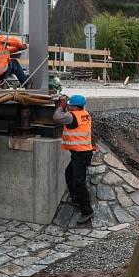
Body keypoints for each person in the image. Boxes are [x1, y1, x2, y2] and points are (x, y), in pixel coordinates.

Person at [53, 94, 95, 223]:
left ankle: (87, 211)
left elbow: (57, 117)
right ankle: (77, 199)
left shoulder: (71, 116)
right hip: (83, 152)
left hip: (81, 154)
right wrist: (65, 106)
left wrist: (60, 106)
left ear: (75, 107)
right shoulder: (84, 113)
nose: (69, 106)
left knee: (78, 182)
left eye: (70, 104)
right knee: (69, 174)